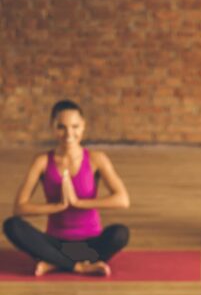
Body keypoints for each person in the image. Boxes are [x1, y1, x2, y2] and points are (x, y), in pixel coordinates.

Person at [3, 99, 130, 276]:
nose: (69, 133)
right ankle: (78, 266)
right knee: (12, 226)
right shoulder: (42, 161)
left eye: (75, 126)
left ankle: (54, 262)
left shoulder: (96, 159)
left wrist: (77, 202)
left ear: (83, 126)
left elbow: (122, 200)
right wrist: (57, 207)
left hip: (90, 244)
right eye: (61, 127)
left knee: (120, 233)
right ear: (52, 127)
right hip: (55, 242)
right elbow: (19, 207)